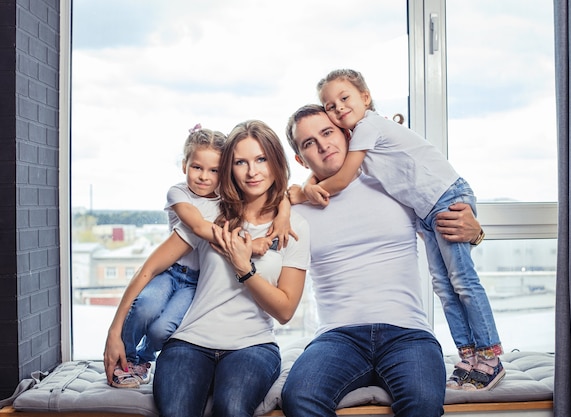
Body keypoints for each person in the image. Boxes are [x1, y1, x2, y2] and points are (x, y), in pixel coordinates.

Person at [300, 69, 504, 391]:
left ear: (365, 97)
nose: (338, 108)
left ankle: (490, 356)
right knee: (445, 288)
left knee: (462, 283)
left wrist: (477, 232)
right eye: (330, 105)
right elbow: (331, 176)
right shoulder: (364, 150)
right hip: (427, 210)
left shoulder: (369, 128)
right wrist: (303, 188)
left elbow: (337, 181)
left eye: (344, 98)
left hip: (445, 199)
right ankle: (469, 356)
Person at [281, 104, 484, 417]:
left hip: (408, 333)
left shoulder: (393, 186)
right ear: (300, 158)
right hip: (338, 335)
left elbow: (448, 226)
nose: (323, 145)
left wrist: (476, 233)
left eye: (327, 132)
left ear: (347, 135)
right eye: (309, 142)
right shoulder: (295, 211)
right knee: (299, 397)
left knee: (423, 404)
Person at [104, 119, 310, 417]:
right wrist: (114, 331)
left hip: (252, 346)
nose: (252, 172)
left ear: (276, 161)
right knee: (176, 412)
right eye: (241, 162)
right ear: (230, 168)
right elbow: (149, 269)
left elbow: (285, 310)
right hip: (189, 341)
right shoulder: (208, 214)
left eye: (261, 159)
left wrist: (244, 269)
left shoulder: (293, 227)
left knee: (232, 408)